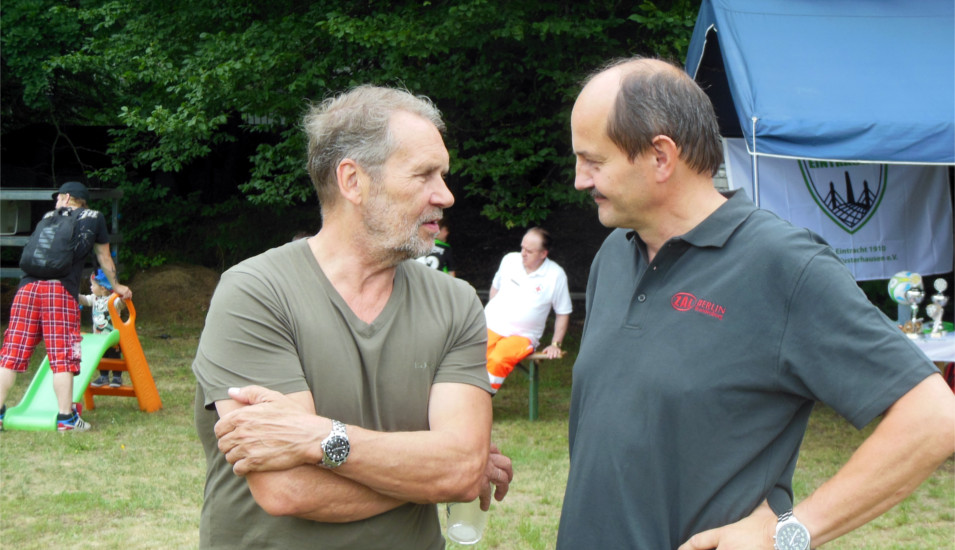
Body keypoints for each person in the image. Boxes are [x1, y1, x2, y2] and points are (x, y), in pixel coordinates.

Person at [557, 56, 955, 549]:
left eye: (594, 162)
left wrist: (789, 533)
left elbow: (933, 416)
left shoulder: (783, 265)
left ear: (661, 156)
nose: (580, 180)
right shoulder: (615, 255)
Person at [192, 85, 513, 549]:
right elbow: (288, 488)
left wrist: (322, 438)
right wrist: (433, 474)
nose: (445, 195)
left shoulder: (456, 302)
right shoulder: (256, 293)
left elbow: (462, 468)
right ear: (353, 181)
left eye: (443, 175)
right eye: (423, 174)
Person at [0, 181, 132, 431]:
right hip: (59, 291)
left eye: (58, 197)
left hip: (26, 289)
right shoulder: (94, 218)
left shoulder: (47, 218)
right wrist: (116, 285)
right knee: (62, 355)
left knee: (11, 354)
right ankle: (66, 418)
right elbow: (104, 257)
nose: (55, 201)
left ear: (67, 196)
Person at [484, 227, 572, 393]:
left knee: (498, 359)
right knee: (469, 356)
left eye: (529, 251)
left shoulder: (555, 275)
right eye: (522, 248)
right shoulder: (509, 260)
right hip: (490, 326)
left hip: (522, 336)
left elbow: (563, 312)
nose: (523, 254)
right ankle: (461, 398)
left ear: (543, 254)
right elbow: (495, 288)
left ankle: (482, 397)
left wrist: (555, 344)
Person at [80, 269, 126, 389]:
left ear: (103, 288)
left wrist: (123, 298)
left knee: (114, 356)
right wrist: (74, 294)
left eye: (93, 285)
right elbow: (84, 300)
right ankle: (103, 376)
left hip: (112, 337)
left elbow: (120, 304)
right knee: (102, 357)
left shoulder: (112, 299)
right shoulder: (94, 298)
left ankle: (117, 377)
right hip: (99, 337)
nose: (91, 287)